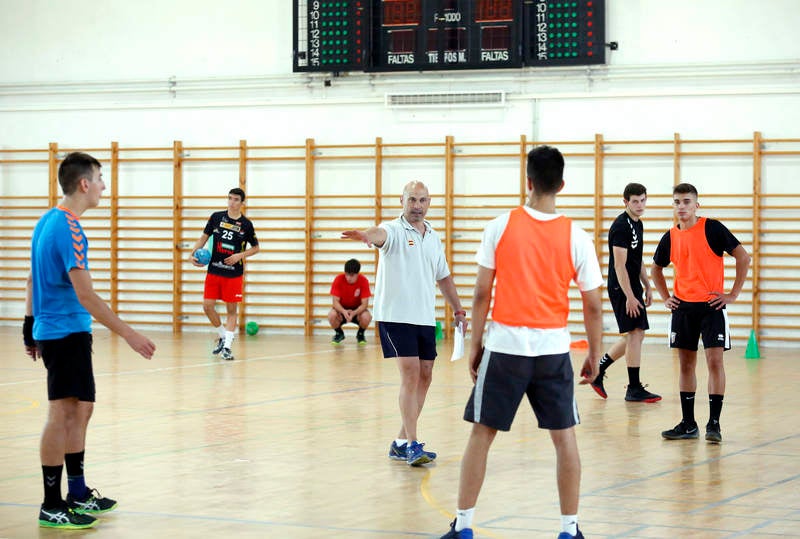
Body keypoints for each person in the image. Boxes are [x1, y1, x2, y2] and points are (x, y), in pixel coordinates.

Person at [440, 146, 603, 539]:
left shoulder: (499, 226)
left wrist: (476, 344)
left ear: (527, 181)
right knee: (564, 439)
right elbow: (594, 305)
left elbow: (481, 293)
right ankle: (569, 530)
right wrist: (595, 355)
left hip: (506, 347)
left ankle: (463, 526)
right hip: (552, 351)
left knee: (482, 434)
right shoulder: (576, 236)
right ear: (561, 185)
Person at [24, 152, 156, 529]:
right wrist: (130, 334)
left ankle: (77, 491)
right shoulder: (69, 228)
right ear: (84, 184)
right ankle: (51, 503)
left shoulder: (47, 220)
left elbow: (32, 279)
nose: (103, 186)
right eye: (99, 178)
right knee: (62, 414)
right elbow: (87, 295)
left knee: (81, 410)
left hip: (62, 332)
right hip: (65, 333)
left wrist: (28, 325)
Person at [342, 180, 467, 466]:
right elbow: (379, 234)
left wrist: (458, 310)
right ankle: (412, 444)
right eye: (412, 200)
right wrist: (366, 235)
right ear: (402, 200)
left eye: (422, 200)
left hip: (423, 316)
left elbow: (443, 277)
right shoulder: (394, 230)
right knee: (410, 374)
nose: (417, 206)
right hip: (396, 316)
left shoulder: (433, 236)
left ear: (429, 202)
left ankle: (400, 442)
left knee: (425, 375)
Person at [651, 182, 750, 443]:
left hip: (711, 308)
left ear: (697, 204)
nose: (681, 206)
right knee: (686, 365)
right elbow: (655, 269)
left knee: (714, 363)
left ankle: (714, 424)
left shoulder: (712, 228)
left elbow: (743, 256)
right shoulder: (670, 236)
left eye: (686, 201)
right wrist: (665, 298)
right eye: (676, 202)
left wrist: (732, 294)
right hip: (683, 309)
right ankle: (687, 423)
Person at [590, 182, 661, 402]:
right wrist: (630, 296)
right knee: (635, 334)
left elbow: (636, 259)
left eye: (643, 200)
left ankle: (599, 371)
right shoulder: (621, 226)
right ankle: (633, 388)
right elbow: (619, 266)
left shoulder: (637, 224)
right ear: (625, 202)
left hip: (632, 287)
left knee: (635, 335)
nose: (640, 205)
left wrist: (648, 286)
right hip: (621, 287)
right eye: (635, 201)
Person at [189, 188, 260, 361]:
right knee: (207, 306)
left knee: (231, 310)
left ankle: (227, 347)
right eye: (230, 198)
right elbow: (203, 238)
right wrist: (192, 253)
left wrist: (239, 256)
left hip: (234, 274)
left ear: (242, 202)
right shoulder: (216, 217)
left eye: (236, 199)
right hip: (214, 269)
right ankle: (222, 335)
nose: (231, 202)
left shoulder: (246, 224)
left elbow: (256, 247)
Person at [328, 258, 372, 345]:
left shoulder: (363, 281)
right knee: (331, 315)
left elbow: (364, 304)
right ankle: (339, 333)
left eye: (352, 275)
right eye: (347, 274)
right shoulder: (338, 279)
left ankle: (360, 334)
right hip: (341, 310)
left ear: (357, 274)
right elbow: (335, 302)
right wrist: (344, 311)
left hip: (357, 310)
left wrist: (354, 313)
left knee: (367, 316)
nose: (348, 278)